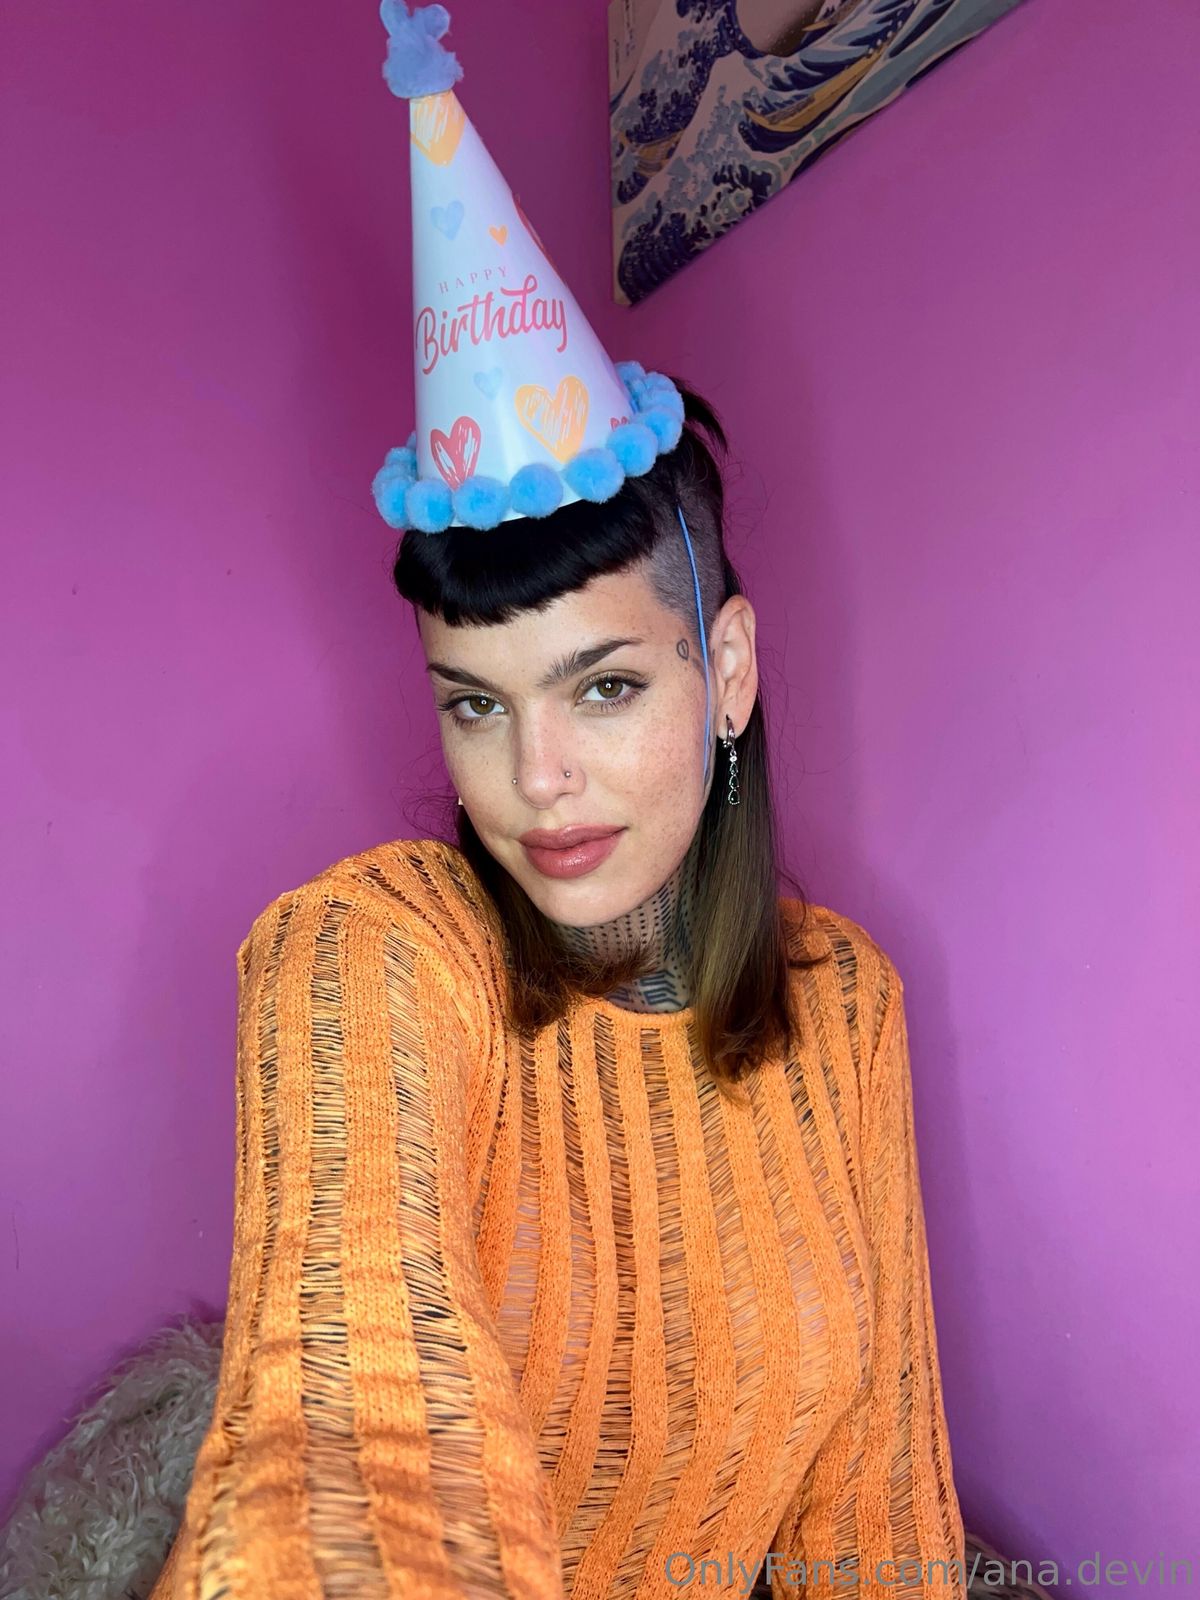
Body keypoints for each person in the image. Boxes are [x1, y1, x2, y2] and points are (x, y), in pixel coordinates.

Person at [148, 7, 967, 1597]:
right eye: (477, 701)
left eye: (602, 688)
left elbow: (878, 1512)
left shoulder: (848, 1008)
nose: (533, 784)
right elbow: (346, 1432)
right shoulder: (368, 952)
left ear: (727, 673)